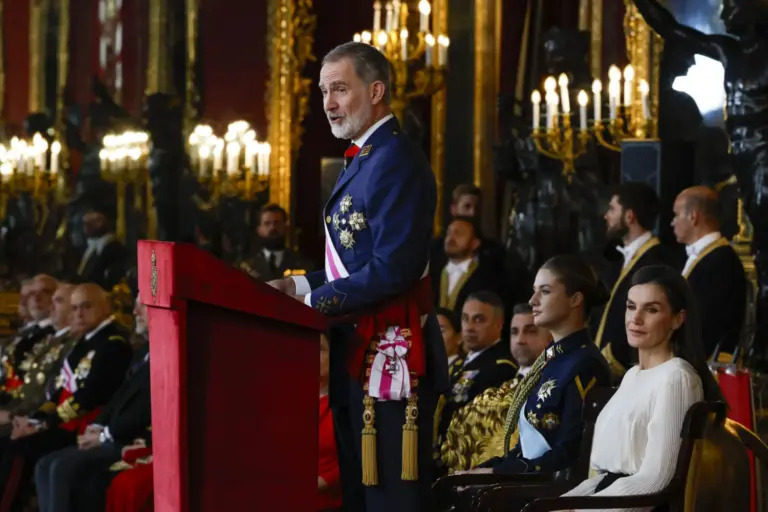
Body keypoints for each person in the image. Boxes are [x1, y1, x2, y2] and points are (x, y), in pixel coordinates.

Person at [268, 41, 448, 512]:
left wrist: (310, 305)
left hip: (393, 355)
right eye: (325, 91)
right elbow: (351, 262)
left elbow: (394, 267)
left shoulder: (395, 159)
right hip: (359, 349)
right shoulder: (365, 157)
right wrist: (297, 285)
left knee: (389, 495)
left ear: (376, 90)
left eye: (340, 89)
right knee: (360, 494)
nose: (328, 102)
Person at [561, 265, 721, 508]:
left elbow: (656, 481)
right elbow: (601, 478)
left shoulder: (677, 377)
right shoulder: (633, 375)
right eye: (631, 306)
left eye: (652, 309)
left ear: (678, 319)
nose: (635, 319)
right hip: (607, 497)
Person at [462, 254, 611, 476]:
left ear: (575, 299)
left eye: (545, 291)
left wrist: (497, 474)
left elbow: (568, 456)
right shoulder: (552, 358)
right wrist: (488, 468)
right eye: (535, 290)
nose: (533, 300)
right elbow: (526, 451)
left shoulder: (585, 364)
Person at [595, 183, 666, 378]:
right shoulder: (620, 261)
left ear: (629, 216)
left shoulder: (655, 261)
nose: (606, 216)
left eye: (612, 209)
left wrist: (614, 359)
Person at [671, 186, 747, 356]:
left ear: (693, 216)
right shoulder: (706, 256)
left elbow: (706, 324)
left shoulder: (721, 262)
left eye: (676, 215)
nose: (672, 222)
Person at [318, 334, 342, 511]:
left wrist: (326, 480)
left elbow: (353, 457)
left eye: (320, 349)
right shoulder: (288, 398)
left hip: (331, 502)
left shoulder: (344, 404)